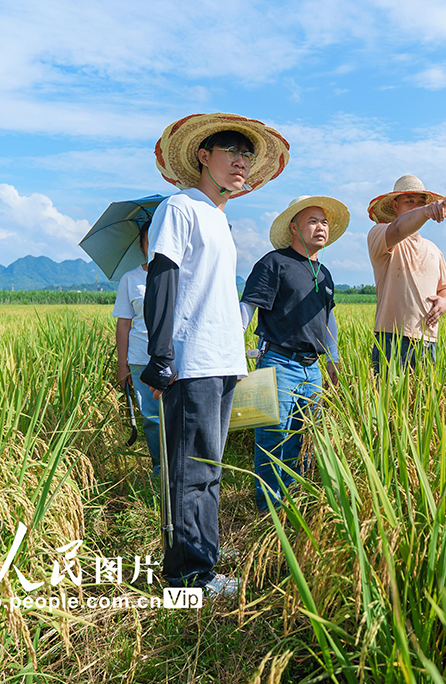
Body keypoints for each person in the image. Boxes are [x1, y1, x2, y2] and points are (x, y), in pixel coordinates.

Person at [140, 112, 290, 596]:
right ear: (204, 156)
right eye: (232, 152)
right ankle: (186, 577)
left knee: (209, 469)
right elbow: (163, 277)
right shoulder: (180, 207)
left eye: (247, 155)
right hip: (193, 361)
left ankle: (204, 563)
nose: (241, 162)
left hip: (223, 361)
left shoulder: (219, 218)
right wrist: (161, 353)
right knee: (191, 471)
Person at [240, 195, 347, 510]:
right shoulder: (274, 263)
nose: (320, 227)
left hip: (312, 369)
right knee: (274, 439)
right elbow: (247, 308)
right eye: (312, 221)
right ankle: (269, 512)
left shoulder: (324, 273)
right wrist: (232, 353)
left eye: (324, 222)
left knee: (306, 440)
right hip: (278, 363)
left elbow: (328, 318)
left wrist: (334, 358)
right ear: (293, 227)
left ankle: (297, 506)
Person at [366, 175, 446, 372]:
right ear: (395, 205)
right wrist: (426, 211)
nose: (416, 206)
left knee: (424, 392)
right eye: (410, 201)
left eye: (421, 202)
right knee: (389, 391)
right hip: (392, 337)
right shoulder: (381, 234)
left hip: (428, 340)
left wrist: (444, 302)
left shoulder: (433, 249)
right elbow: (399, 228)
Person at [112, 227, 160, 475]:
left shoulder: (182, 274)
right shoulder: (130, 279)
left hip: (177, 358)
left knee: (178, 415)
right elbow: (124, 323)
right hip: (141, 358)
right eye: (149, 241)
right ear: (141, 245)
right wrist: (123, 365)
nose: (155, 246)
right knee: (151, 417)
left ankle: (182, 465)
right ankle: (159, 467)